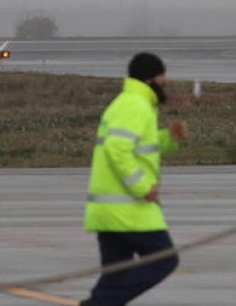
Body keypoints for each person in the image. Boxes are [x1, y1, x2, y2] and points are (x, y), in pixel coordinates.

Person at [81, 52, 188, 306]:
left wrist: (169, 138)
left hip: (111, 211)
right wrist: (143, 188)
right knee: (164, 260)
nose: (167, 80)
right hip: (128, 210)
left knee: (115, 275)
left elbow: (140, 147)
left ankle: (100, 302)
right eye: (163, 75)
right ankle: (99, 303)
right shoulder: (135, 106)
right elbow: (118, 149)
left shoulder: (131, 103)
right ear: (150, 79)